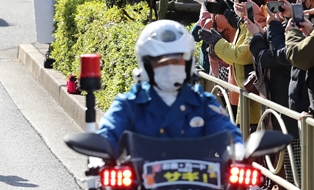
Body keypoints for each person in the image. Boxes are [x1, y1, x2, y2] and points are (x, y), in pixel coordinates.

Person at [97, 20, 244, 152]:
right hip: (141, 181)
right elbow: (107, 133)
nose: (169, 68)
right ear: (146, 64)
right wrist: (100, 155)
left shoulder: (204, 104)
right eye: (160, 62)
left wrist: (238, 150)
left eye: (176, 62)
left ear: (188, 64)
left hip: (199, 181)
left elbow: (228, 132)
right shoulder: (128, 105)